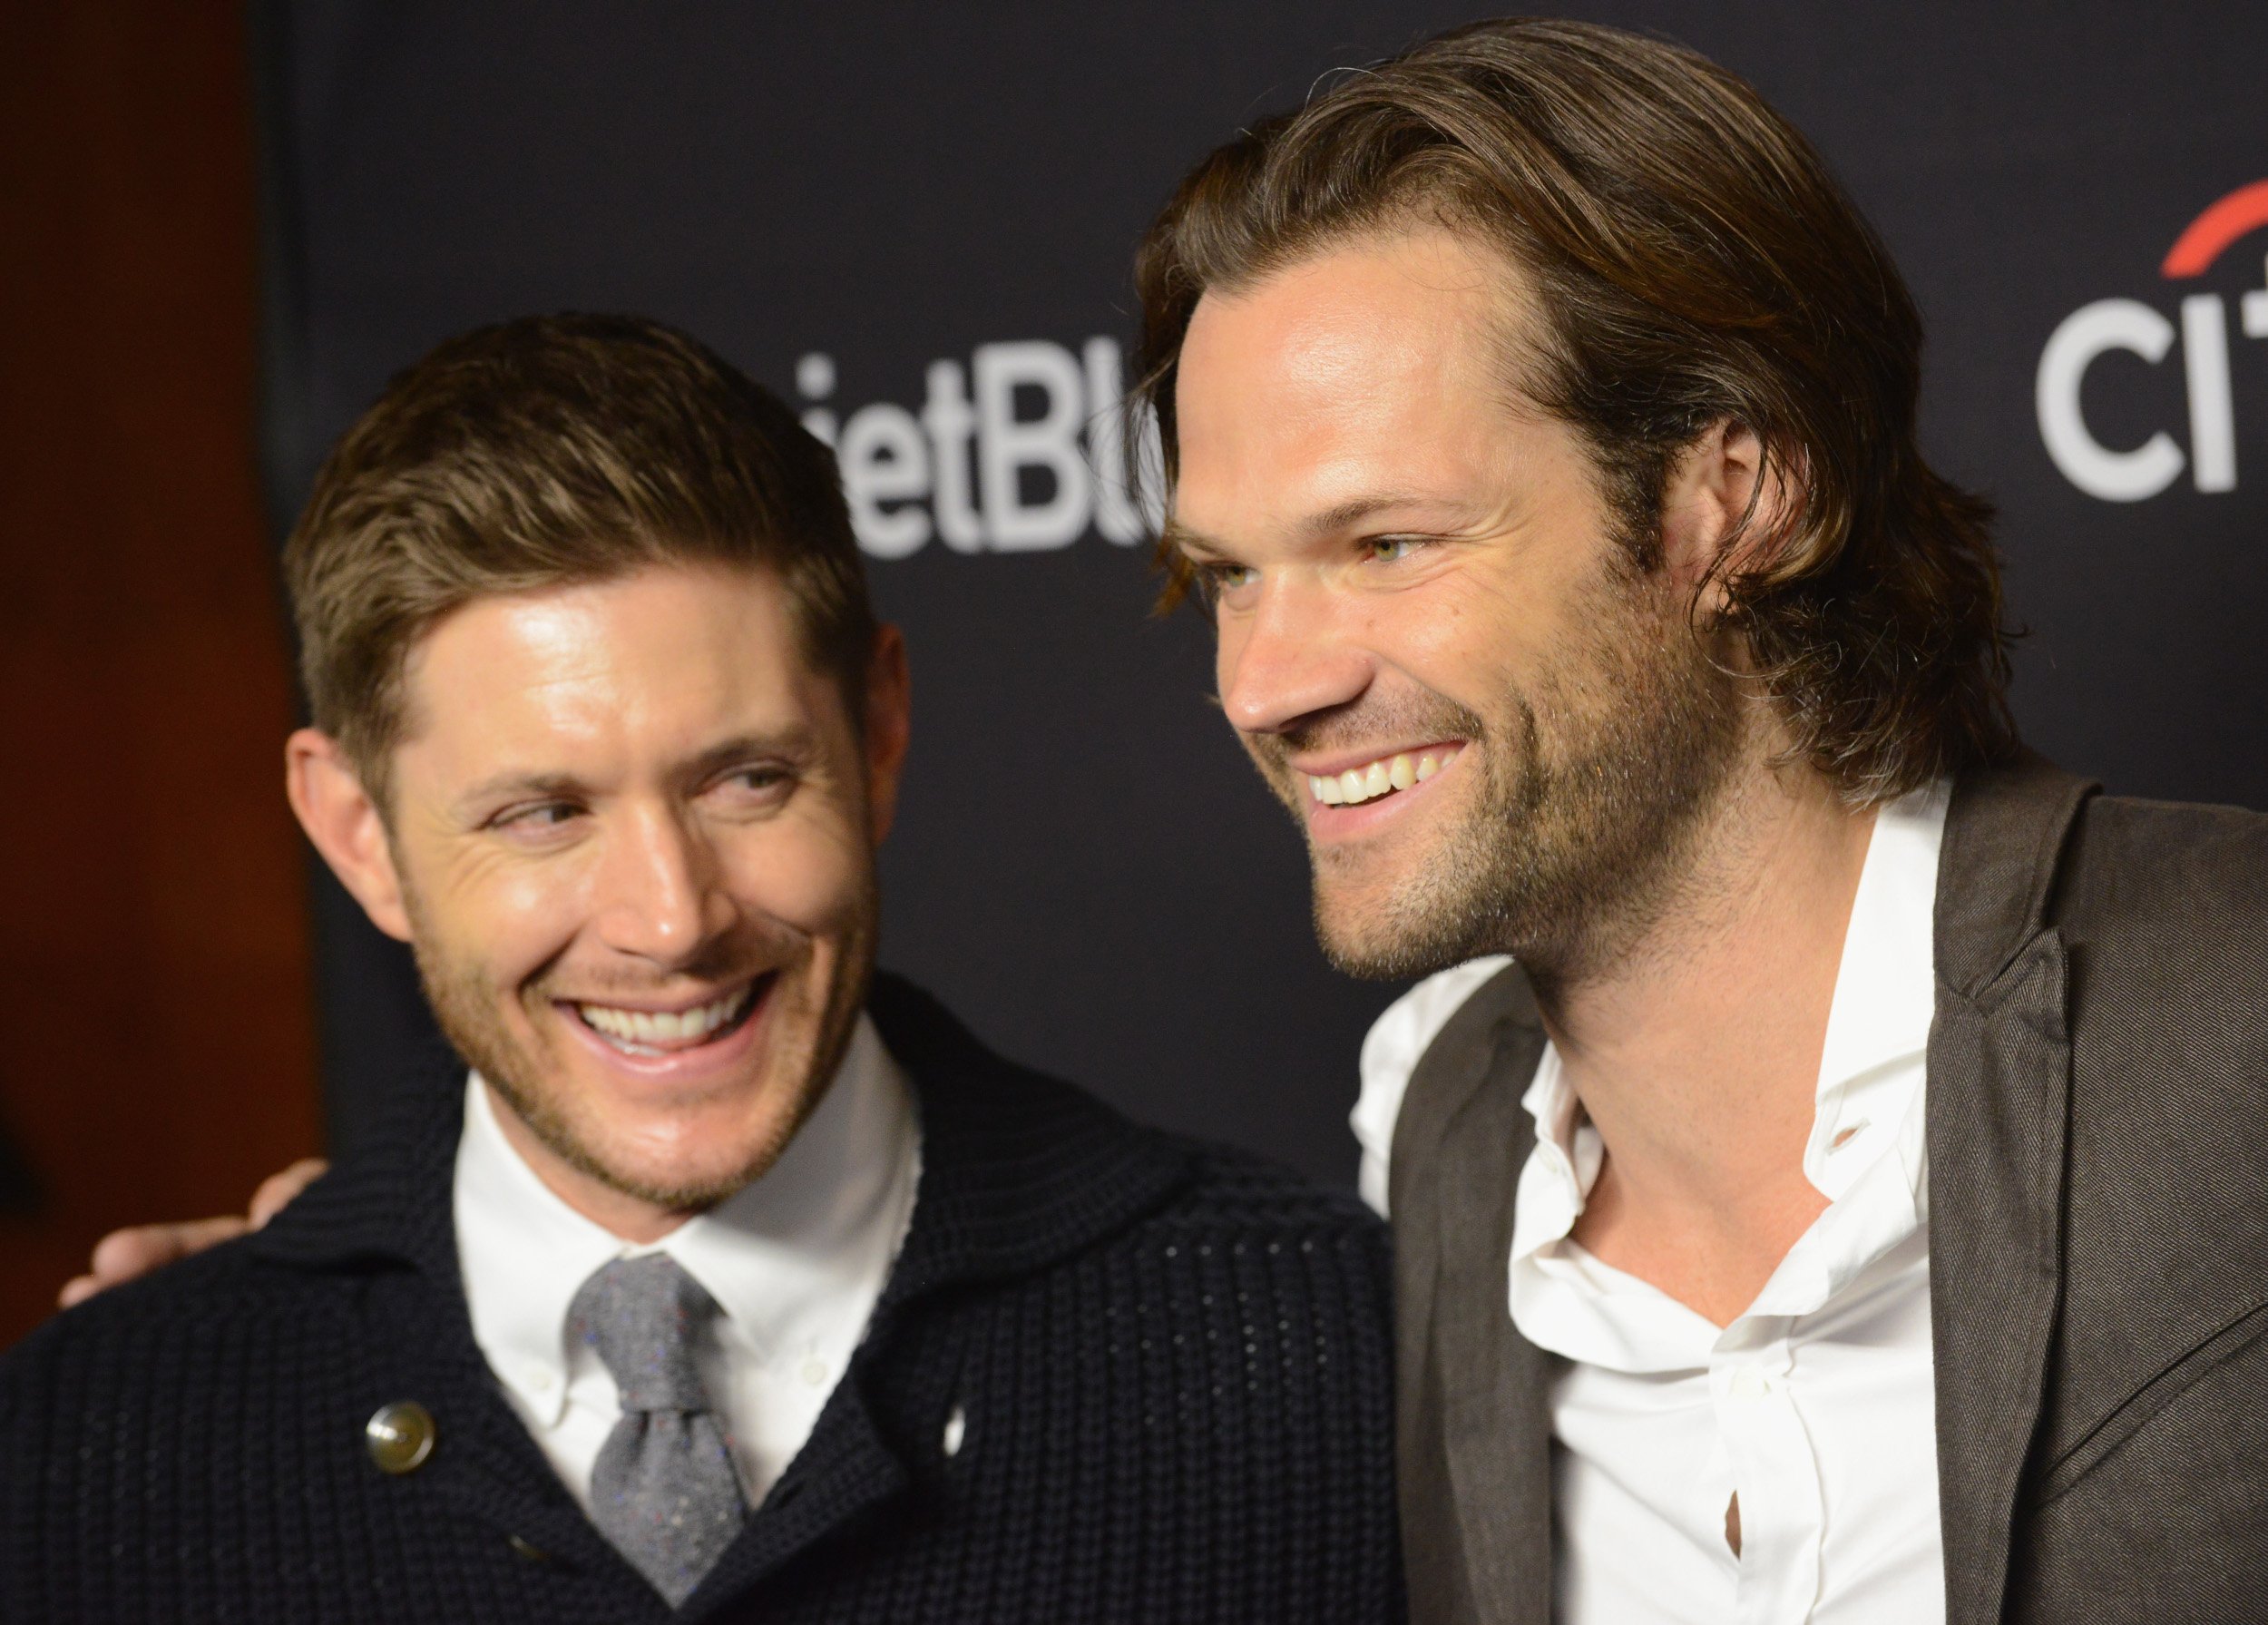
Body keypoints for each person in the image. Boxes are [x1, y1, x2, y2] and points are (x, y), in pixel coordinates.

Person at [1127, 16, 2268, 1624]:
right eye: (1230, 574)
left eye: (1387, 544)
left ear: (1732, 500)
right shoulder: (1434, 1129)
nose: (1263, 684)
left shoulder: (2233, 1002)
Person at [0, 314, 1402, 1623]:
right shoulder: (85, 1452)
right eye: (543, 814)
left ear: (879, 735)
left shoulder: (1335, 1349)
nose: (671, 922)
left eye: (746, 780)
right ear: (359, 836)